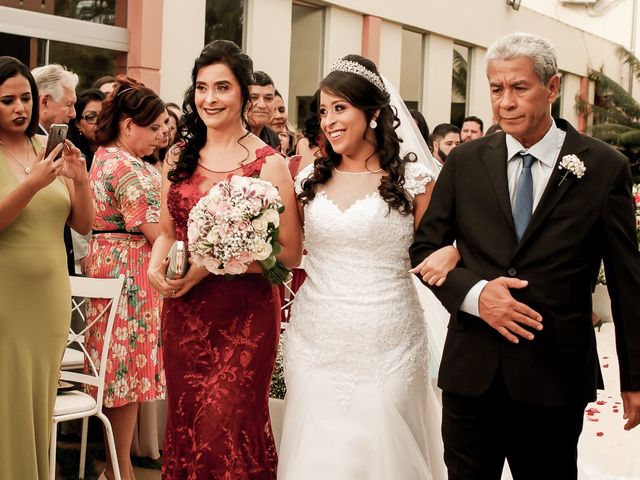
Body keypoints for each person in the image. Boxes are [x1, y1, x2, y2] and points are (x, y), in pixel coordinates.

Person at [410, 32, 640, 479]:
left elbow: (627, 278)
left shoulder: (603, 167)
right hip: (471, 374)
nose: (505, 102)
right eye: (496, 89)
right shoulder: (465, 162)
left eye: (519, 88)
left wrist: (635, 377)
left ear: (552, 88)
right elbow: (424, 247)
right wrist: (476, 295)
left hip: (554, 376)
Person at [278, 54, 452, 479]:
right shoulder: (306, 179)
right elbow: (287, 254)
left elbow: (438, 247)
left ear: (373, 113)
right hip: (315, 336)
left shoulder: (414, 181)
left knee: (383, 447)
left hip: (388, 337)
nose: (329, 121)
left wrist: (456, 250)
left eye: (340, 108)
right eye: (323, 111)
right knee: (316, 450)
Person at [147, 39, 302, 479]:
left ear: (243, 93)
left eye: (222, 88)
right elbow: (166, 231)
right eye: (201, 88)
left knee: (226, 427)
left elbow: (288, 254)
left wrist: (219, 259)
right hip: (183, 313)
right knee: (188, 424)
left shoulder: (268, 165)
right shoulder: (178, 156)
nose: (209, 99)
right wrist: (156, 267)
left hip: (244, 319)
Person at [0, 56, 93, 480]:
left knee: (38, 402)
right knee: (7, 400)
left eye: (26, 98)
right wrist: (33, 183)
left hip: (50, 298)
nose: (20, 108)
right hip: (6, 299)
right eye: (7, 100)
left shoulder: (48, 148)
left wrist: (80, 179)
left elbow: (82, 224)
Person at [86, 76, 168, 480]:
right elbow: (155, 229)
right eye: (153, 128)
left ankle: (118, 467)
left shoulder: (104, 155)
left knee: (120, 373)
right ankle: (118, 470)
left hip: (109, 264)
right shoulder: (128, 167)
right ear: (127, 123)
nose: (159, 136)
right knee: (126, 374)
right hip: (130, 269)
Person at [68, 88, 106, 170]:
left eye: (104, 115)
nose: (100, 122)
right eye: (91, 117)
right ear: (78, 123)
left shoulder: (120, 151)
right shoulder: (72, 156)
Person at [247, 70, 281, 149]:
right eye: (254, 98)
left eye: (268, 98)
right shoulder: (229, 137)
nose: (262, 105)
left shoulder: (273, 138)